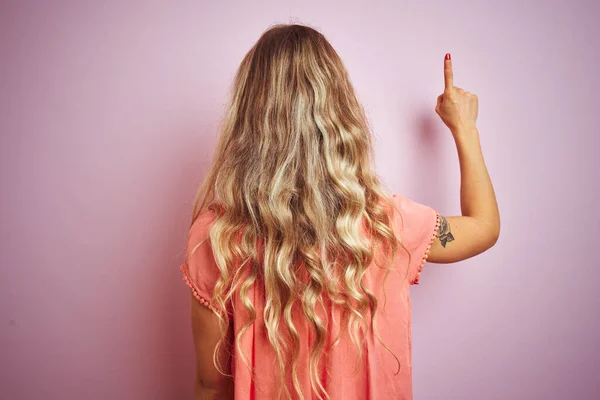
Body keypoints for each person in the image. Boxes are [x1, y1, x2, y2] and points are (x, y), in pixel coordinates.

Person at [180, 24, 500, 400]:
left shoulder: (215, 236)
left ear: (247, 117)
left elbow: (209, 384)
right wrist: (465, 128)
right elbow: (484, 226)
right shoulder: (386, 224)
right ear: (339, 112)